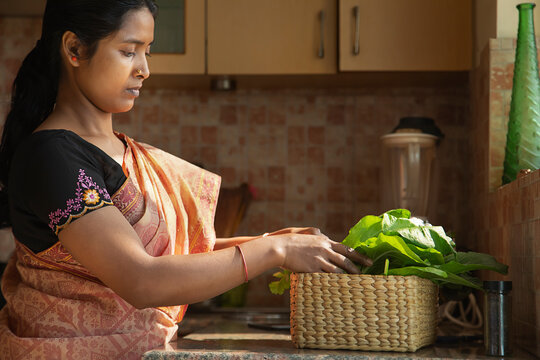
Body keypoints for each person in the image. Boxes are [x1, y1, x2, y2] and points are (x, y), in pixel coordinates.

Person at [0, 1, 372, 359]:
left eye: (147, 50)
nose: (145, 69)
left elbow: (171, 256)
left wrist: (275, 241)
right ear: (75, 48)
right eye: (129, 51)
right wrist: (276, 251)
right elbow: (141, 279)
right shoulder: (51, 156)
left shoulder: (119, 150)